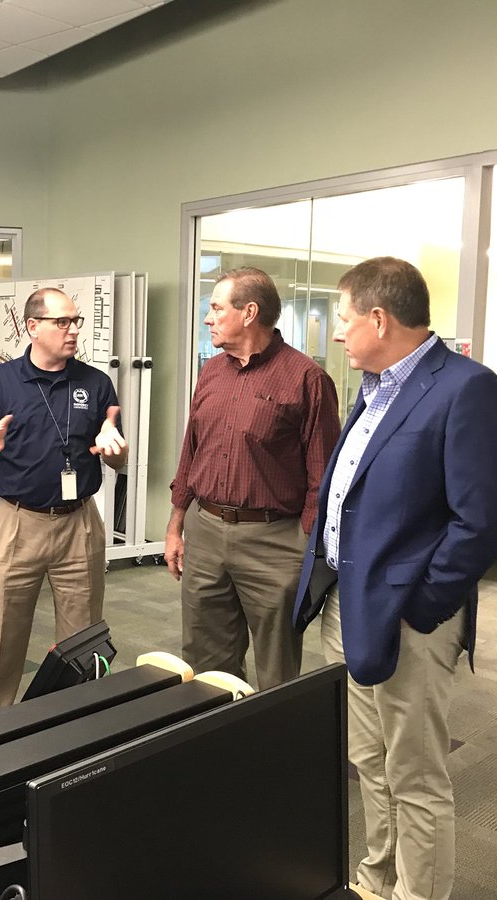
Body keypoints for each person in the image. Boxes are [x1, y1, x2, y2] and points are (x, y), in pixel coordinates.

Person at [293, 257, 497, 900]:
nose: (338, 331)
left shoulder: (468, 390)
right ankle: (377, 879)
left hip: (407, 616)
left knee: (416, 775)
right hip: (348, 601)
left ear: (378, 319)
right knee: (369, 759)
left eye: (343, 318)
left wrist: (424, 606)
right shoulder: (373, 388)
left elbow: (485, 519)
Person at [165, 266, 340, 690]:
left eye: (216, 308)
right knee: (205, 659)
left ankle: (273, 734)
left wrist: (305, 548)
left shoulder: (307, 379)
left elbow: (323, 477)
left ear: (249, 313)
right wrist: (175, 526)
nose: (208, 319)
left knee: (276, 668)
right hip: (205, 531)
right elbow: (192, 451)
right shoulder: (211, 372)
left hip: (273, 541)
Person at [0, 288, 127, 711]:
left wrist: (115, 449)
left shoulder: (95, 383)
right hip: (17, 523)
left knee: (83, 641)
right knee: (2, 637)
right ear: (33, 327)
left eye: (75, 321)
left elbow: (118, 458)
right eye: (61, 322)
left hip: (79, 523)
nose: (73, 330)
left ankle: (75, 721)